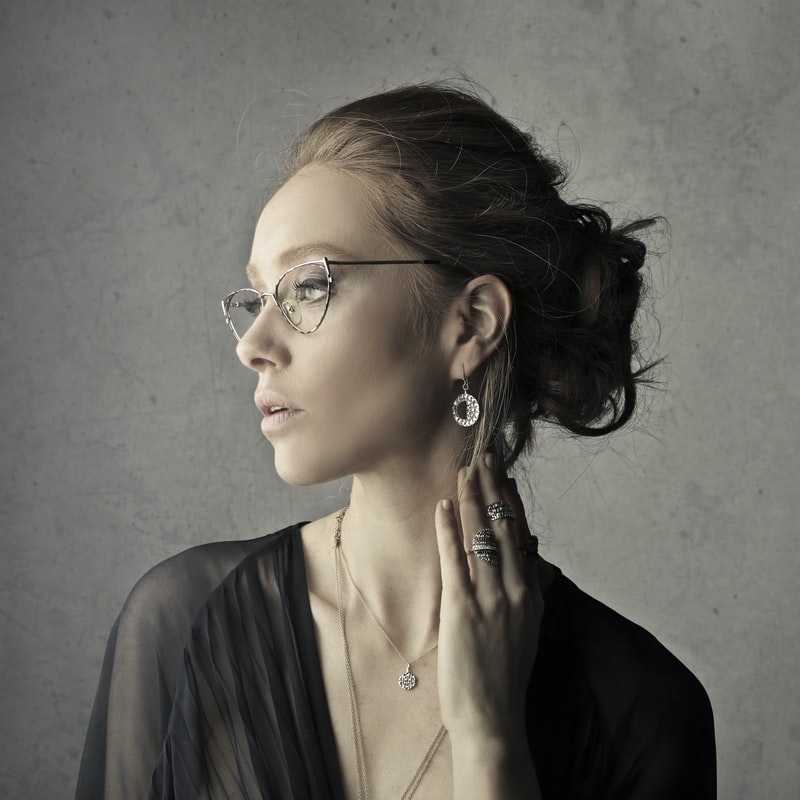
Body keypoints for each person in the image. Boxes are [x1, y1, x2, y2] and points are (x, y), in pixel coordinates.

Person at [76, 83, 716, 799]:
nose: (253, 344)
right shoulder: (186, 615)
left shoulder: (643, 707)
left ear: (471, 324)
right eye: (258, 298)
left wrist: (490, 738)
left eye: (309, 287)